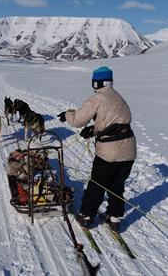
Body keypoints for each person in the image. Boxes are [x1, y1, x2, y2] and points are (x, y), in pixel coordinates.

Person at [57, 66, 137, 233]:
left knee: (97, 184)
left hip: (109, 152)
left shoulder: (98, 98)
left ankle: (86, 216)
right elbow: (116, 123)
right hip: (129, 150)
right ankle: (114, 218)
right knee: (116, 184)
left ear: (96, 82)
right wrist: (93, 130)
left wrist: (67, 114)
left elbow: (78, 120)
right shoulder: (119, 98)